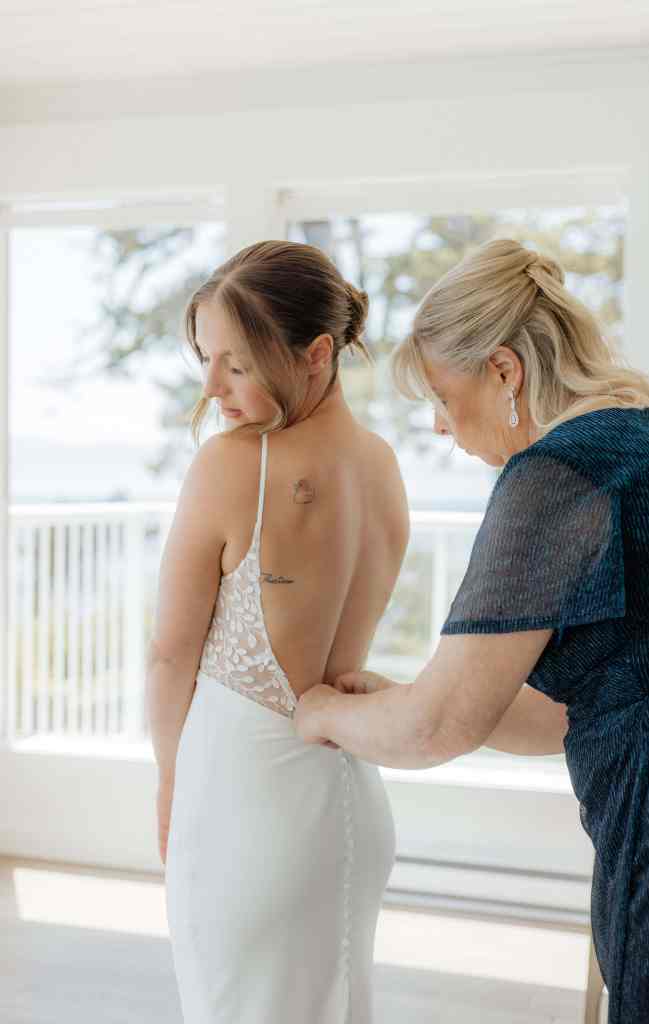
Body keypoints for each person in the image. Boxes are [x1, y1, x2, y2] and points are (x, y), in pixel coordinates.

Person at [294, 238, 649, 1024]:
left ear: (504, 371)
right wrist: (406, 695)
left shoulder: (555, 474)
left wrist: (319, 712)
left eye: (442, 397)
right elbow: (575, 705)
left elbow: (437, 728)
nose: (440, 428)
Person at [145, 240, 409, 1023]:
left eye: (237, 362)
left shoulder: (233, 465)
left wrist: (169, 780)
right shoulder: (382, 464)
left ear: (317, 353)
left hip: (245, 805)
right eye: (206, 359)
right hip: (349, 804)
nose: (212, 386)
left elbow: (169, 654)